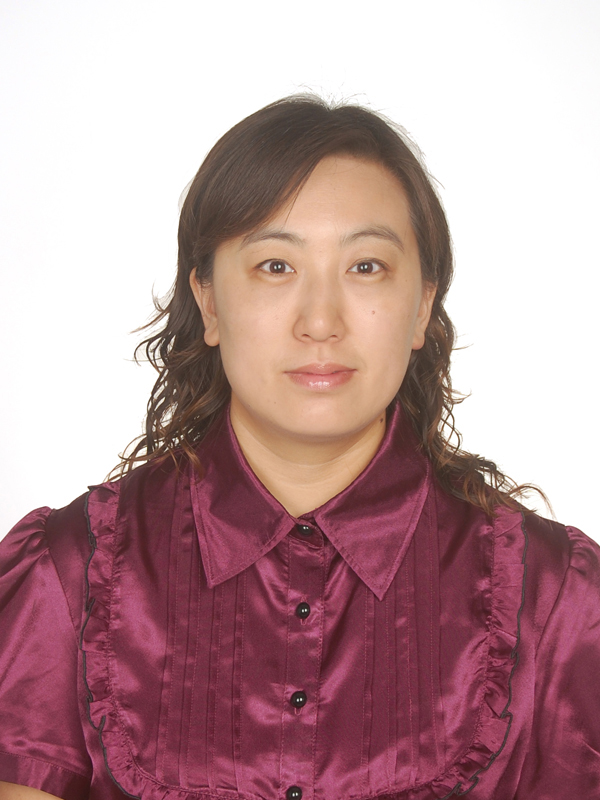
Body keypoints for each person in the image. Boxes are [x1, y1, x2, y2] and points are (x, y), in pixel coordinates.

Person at [0, 94, 599, 800]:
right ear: (209, 302)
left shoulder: (556, 599)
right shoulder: (67, 574)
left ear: (421, 307)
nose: (320, 321)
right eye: (275, 267)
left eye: (366, 267)